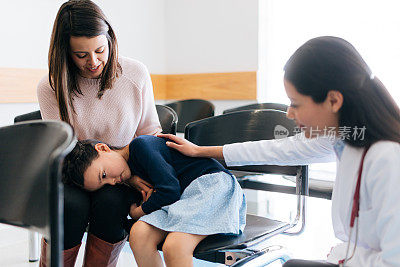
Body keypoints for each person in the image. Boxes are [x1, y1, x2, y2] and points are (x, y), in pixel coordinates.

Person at [158, 36, 400, 267]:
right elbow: (275, 149)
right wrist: (201, 151)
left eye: (295, 103)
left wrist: (343, 258)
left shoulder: (386, 159)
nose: (289, 114)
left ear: (334, 101)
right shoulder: (343, 138)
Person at [36, 1, 162, 266]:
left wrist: (133, 177)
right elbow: (60, 153)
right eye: (81, 55)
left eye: (100, 50)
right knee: (70, 205)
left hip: (122, 174)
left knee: (111, 203)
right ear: (64, 52)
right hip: (72, 176)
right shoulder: (50, 86)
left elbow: (150, 134)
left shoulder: (135, 74)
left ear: (110, 41)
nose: (93, 62)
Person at [61, 135, 246, 267]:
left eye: (103, 175)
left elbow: (170, 190)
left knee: (175, 246)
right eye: (104, 184)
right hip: (183, 199)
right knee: (139, 234)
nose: (112, 181)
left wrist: (138, 212)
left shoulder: (140, 146)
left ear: (102, 148)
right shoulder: (127, 176)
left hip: (210, 185)